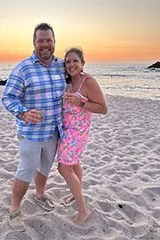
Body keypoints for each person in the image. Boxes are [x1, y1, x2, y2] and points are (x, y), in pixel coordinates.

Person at [1, 23, 66, 231]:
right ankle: (14, 209)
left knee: (45, 167)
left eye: (49, 40)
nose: (45, 44)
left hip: (54, 132)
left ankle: (39, 195)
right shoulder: (23, 68)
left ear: (54, 42)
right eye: (41, 40)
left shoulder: (61, 65)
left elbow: (77, 80)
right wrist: (23, 113)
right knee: (26, 170)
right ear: (34, 43)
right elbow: (8, 97)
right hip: (30, 133)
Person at [57, 47, 107, 225]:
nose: (71, 64)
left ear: (82, 63)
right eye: (68, 61)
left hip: (78, 132)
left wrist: (82, 102)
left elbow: (103, 108)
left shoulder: (89, 81)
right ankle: (76, 192)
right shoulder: (68, 82)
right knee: (74, 162)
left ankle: (83, 210)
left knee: (63, 168)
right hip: (66, 129)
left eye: (75, 61)